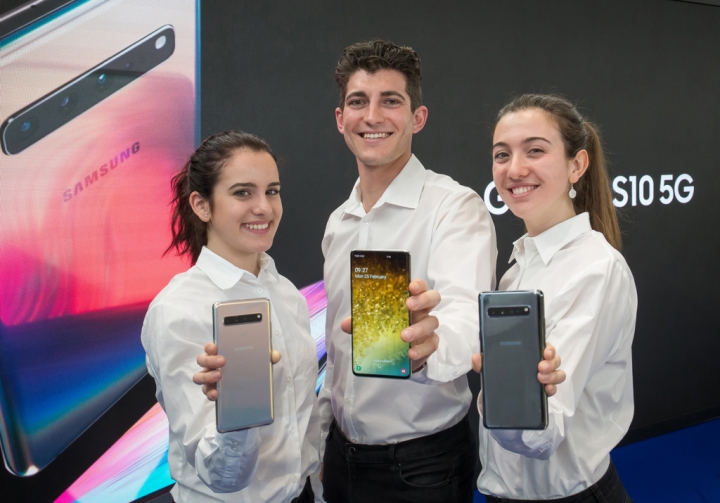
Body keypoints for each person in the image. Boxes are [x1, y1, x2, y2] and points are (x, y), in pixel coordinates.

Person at [317, 41, 565, 503]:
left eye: (391, 101)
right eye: (358, 101)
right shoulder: (338, 223)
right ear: (340, 118)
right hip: (340, 455)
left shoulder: (454, 207)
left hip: (421, 466)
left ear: (418, 118)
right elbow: (335, 355)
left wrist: (425, 347)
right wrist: (320, 439)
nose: (372, 116)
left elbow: (467, 322)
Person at [473, 94, 637, 503]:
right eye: (502, 154)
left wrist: (508, 392)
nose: (514, 169)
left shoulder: (597, 269)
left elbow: (541, 436)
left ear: (576, 165)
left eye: (535, 150)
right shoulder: (517, 269)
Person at [141, 131, 321, 503]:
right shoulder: (177, 310)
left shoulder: (287, 295)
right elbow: (220, 476)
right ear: (202, 205)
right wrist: (238, 411)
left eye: (272, 191)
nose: (264, 208)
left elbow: (301, 426)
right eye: (243, 193)